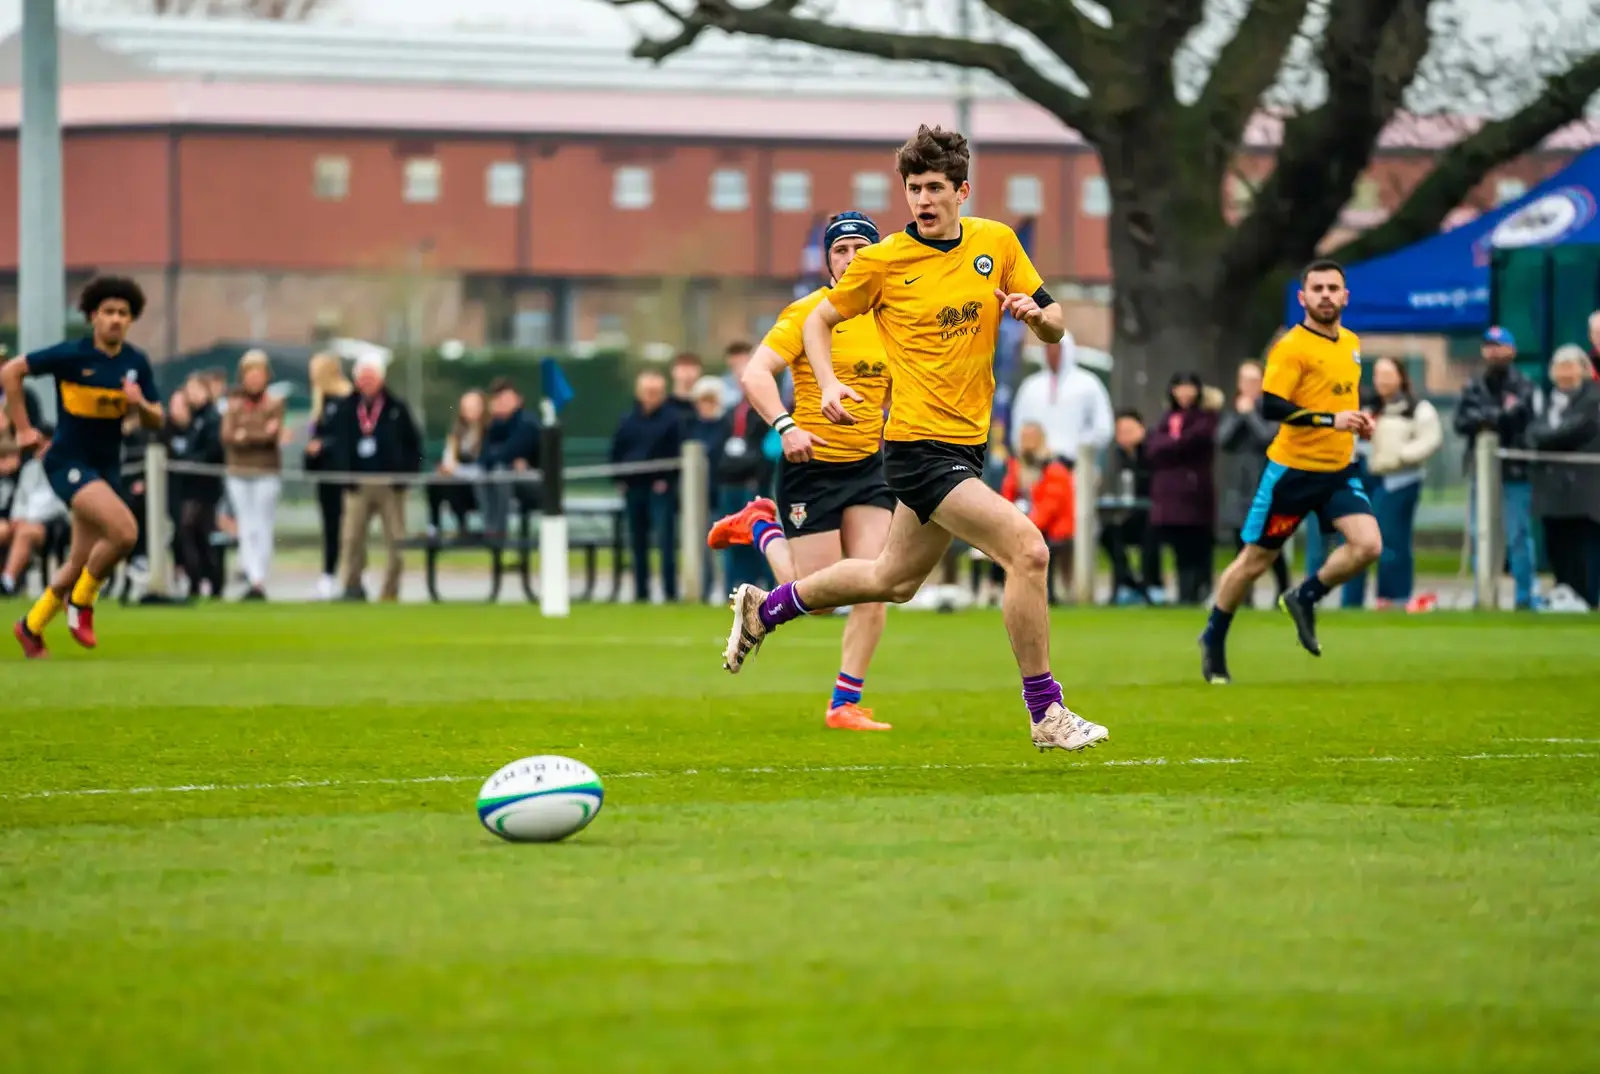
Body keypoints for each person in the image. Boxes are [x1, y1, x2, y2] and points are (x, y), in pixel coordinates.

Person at [718, 125, 1108, 752]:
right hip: (915, 450)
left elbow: (1056, 319)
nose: (923, 199)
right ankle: (1047, 712)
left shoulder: (996, 243)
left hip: (966, 446)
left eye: (934, 187)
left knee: (891, 580)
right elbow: (819, 318)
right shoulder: (882, 261)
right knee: (1028, 551)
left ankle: (766, 610)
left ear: (963, 190)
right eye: (913, 188)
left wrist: (1040, 321)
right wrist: (825, 386)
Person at [707, 211, 898, 731]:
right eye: (841, 250)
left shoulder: (893, 316)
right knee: (814, 599)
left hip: (869, 467)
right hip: (810, 467)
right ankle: (760, 525)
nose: (852, 257)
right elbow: (755, 374)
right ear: (828, 260)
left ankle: (843, 704)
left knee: (876, 582)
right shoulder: (807, 312)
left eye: (862, 248)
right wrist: (786, 425)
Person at [1200, 259, 1379, 685]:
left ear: (1345, 296)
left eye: (1333, 288)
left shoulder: (1351, 343)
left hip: (1338, 469)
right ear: (1303, 298)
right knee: (1253, 563)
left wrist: (1356, 421)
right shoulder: (1292, 347)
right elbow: (1271, 406)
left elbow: (1338, 402)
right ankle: (1213, 637)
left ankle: (1304, 595)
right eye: (1316, 288)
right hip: (1292, 473)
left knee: (1368, 545)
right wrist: (1328, 421)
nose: (1325, 295)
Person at [4, 276, 162, 658]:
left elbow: (156, 418)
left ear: (131, 319)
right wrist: (24, 429)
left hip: (106, 467)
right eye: (108, 312)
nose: (115, 320)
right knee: (124, 533)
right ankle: (82, 602)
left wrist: (139, 404)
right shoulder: (72, 355)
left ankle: (31, 626)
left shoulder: (135, 362)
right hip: (67, 463)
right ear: (93, 316)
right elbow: (11, 371)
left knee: (80, 560)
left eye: (123, 314)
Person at [1454, 326, 1538, 609]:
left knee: (1517, 536)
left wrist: (1488, 418)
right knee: (1482, 535)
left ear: (1511, 350)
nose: (1494, 351)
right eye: (1489, 346)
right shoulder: (1474, 385)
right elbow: (1461, 421)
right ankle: (1484, 597)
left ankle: (1525, 599)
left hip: (1514, 471)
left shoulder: (1524, 384)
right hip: (1482, 471)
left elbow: (1519, 418)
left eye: (1499, 345)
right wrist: (1495, 416)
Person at [330, 356, 423, 602]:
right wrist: (344, 474)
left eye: (372, 376)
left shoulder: (396, 408)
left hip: (391, 485)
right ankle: (352, 585)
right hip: (357, 483)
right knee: (351, 538)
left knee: (396, 539)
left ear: (381, 378)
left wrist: (406, 476)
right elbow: (338, 443)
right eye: (363, 377)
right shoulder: (347, 408)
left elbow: (415, 445)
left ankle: (390, 591)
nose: (367, 381)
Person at [1362, 357, 1442, 610]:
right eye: (1378, 375)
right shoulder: (1370, 407)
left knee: (1393, 540)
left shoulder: (1417, 407)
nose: (1383, 380)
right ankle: (1381, 597)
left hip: (1402, 480)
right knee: (1373, 540)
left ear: (1401, 376)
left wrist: (1403, 456)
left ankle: (1395, 597)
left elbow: (1431, 439)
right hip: (1372, 478)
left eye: (1388, 374)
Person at [1530, 346, 1600, 609]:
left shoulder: (1593, 398)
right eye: (1560, 367)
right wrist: (1546, 435)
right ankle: (1565, 596)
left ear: (1583, 369)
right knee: (1558, 547)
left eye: (1570, 366)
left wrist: (1547, 436)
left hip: (1585, 492)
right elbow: (1532, 431)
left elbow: (1577, 430)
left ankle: (1588, 599)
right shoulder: (1548, 401)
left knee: (1584, 548)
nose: (1565, 373)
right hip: (1553, 493)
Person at [1216, 360, 1289, 606]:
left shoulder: (1272, 409)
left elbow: (1267, 437)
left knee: (1269, 545)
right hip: (1239, 487)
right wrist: (1240, 415)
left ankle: (1283, 592)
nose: (1249, 386)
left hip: (1265, 484)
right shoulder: (1233, 410)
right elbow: (1222, 440)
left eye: (1254, 380)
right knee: (1241, 545)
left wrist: (1249, 414)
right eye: (1245, 380)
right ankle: (1244, 597)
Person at [612, 368, 684, 603]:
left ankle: (670, 592)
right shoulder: (627, 419)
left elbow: (678, 454)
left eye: (655, 392)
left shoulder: (672, 419)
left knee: (665, 541)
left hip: (660, 489)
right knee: (638, 542)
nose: (651, 396)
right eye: (647, 391)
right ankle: (641, 593)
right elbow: (617, 450)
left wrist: (667, 479)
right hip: (634, 488)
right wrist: (619, 479)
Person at [1146, 371, 1218, 606]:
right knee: (1176, 546)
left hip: (1194, 493)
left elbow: (1193, 441)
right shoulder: (1166, 419)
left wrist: (1173, 444)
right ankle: (1182, 593)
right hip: (1169, 495)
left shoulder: (1205, 419)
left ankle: (1195, 590)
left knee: (1195, 545)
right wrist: (1174, 443)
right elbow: (1155, 448)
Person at [221, 350, 284, 601]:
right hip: (238, 471)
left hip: (266, 471)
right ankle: (252, 575)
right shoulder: (233, 404)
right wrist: (256, 431)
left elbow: (271, 435)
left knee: (262, 524)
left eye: (259, 374)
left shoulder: (275, 402)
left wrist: (245, 433)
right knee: (246, 525)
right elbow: (227, 436)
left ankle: (259, 576)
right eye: (250, 374)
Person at [1007, 333, 1113, 467]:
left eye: (1057, 348)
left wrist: (1079, 446)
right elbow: (1018, 426)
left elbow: (1103, 427)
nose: (1052, 353)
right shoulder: (1030, 386)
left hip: (1075, 465)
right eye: (1048, 348)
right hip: (1036, 466)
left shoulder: (1088, 384)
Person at [1001, 421, 1076, 602]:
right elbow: (1006, 498)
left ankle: (1042, 594)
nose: (1027, 443)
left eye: (1031, 438)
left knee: (1032, 544)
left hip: (1054, 527)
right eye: (1024, 438)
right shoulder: (1016, 467)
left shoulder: (1053, 468)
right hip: (1028, 521)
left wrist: (1025, 525)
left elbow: (1051, 507)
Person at [165, 376, 225, 599]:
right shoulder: (193, 420)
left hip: (205, 487)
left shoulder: (211, 418)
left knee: (199, 532)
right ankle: (198, 580)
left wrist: (190, 461)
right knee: (192, 533)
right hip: (189, 487)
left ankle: (211, 581)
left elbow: (212, 450)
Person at [304, 351, 353, 599]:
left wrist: (326, 445)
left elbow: (347, 438)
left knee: (349, 527)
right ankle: (329, 574)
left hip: (342, 473)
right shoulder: (320, 401)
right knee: (330, 526)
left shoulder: (347, 398)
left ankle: (351, 574)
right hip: (324, 474)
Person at [0, 381, 51, 598]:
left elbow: (58, 503)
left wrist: (27, 518)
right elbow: (21, 497)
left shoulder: (59, 466)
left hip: (47, 522)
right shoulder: (29, 468)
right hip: (21, 519)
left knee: (24, 532)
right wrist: (18, 517)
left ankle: (7, 582)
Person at [686, 376, 731, 602]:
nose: (706, 405)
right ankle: (703, 590)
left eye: (710, 400)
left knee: (724, 544)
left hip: (719, 491)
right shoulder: (691, 426)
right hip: (696, 496)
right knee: (701, 546)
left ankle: (728, 589)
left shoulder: (726, 426)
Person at [480, 378, 539, 540]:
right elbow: (484, 459)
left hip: (538, 482)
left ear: (518, 400)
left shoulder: (527, 422)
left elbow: (508, 453)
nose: (502, 403)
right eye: (498, 399)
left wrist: (498, 456)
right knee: (483, 476)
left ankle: (499, 532)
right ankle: (489, 528)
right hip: (512, 478)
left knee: (500, 474)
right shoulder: (496, 425)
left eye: (506, 399)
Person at [431, 389, 489, 539]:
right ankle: (434, 528)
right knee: (435, 481)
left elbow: (483, 467)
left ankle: (467, 528)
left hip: (480, 485)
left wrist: (455, 470)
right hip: (459, 481)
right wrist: (446, 468)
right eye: (465, 408)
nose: (468, 412)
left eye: (472, 407)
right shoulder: (457, 432)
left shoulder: (489, 431)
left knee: (453, 483)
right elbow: (449, 458)